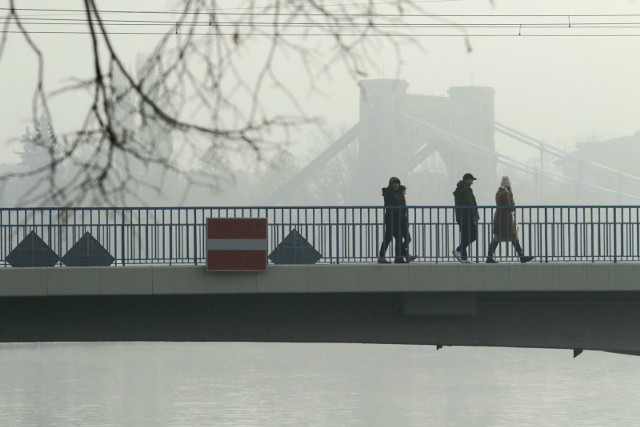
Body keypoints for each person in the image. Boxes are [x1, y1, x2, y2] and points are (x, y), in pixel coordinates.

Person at [486, 176, 534, 264]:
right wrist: (513, 207)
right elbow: (509, 206)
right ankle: (522, 257)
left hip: (499, 217)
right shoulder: (506, 192)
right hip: (505, 218)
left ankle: (489, 257)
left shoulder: (499, 191)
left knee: (498, 238)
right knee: (513, 237)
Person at [378, 177, 418, 264]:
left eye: (397, 183)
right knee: (389, 238)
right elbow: (390, 205)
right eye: (394, 183)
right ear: (391, 184)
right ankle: (401, 256)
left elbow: (402, 208)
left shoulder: (398, 193)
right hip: (391, 220)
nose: (396, 184)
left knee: (401, 238)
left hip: (399, 220)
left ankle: (399, 257)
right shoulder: (388, 192)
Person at [452, 173, 479, 263]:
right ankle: (459, 250)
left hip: (465, 216)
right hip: (466, 216)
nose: (472, 182)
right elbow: (469, 204)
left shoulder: (465, 189)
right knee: (473, 235)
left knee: (465, 236)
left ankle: (464, 257)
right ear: (466, 180)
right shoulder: (463, 190)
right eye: (471, 180)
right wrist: (474, 215)